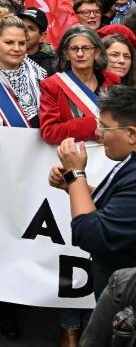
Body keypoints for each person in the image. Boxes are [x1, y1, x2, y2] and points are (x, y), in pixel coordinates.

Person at [48, 86, 136, 301]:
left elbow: (90, 234)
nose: (99, 134)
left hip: (125, 305)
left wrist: (76, 173)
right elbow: (118, 204)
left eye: (105, 128)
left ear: (131, 133)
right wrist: (73, 184)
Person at [40, 25, 121, 145]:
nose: (80, 54)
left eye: (86, 48)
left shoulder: (112, 81)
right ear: (66, 54)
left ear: (97, 52)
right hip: (74, 156)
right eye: (74, 49)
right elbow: (49, 132)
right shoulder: (52, 85)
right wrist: (93, 125)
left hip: (110, 155)